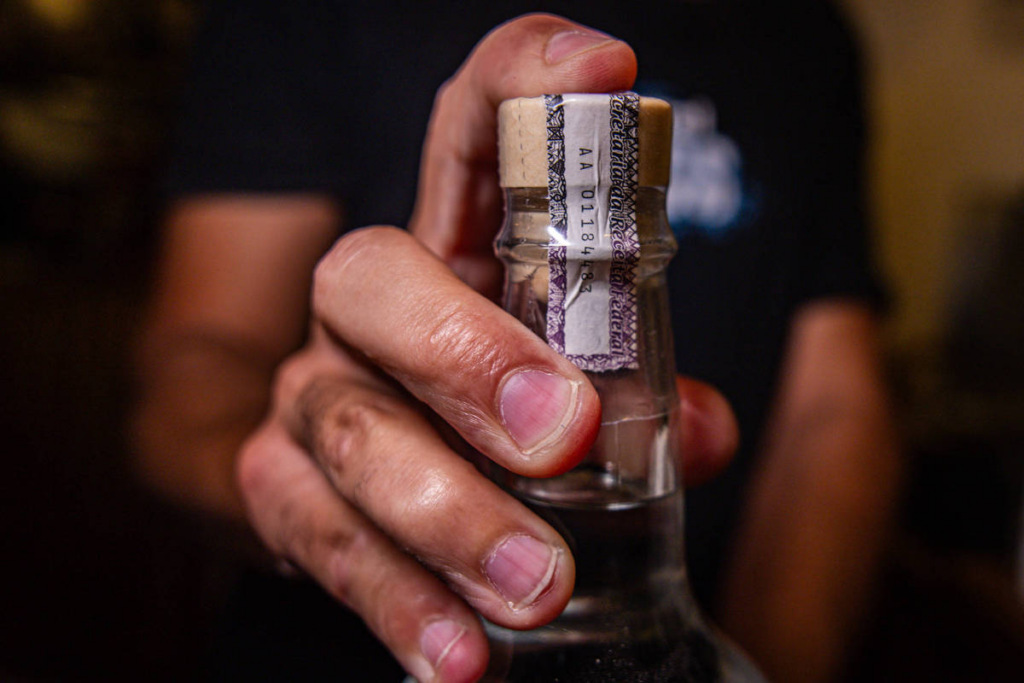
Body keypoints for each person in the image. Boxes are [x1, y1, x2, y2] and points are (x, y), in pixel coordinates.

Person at [133, 2, 902, 682]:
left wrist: (759, 664)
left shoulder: (805, 33)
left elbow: (829, 413)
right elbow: (198, 359)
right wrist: (306, 457)